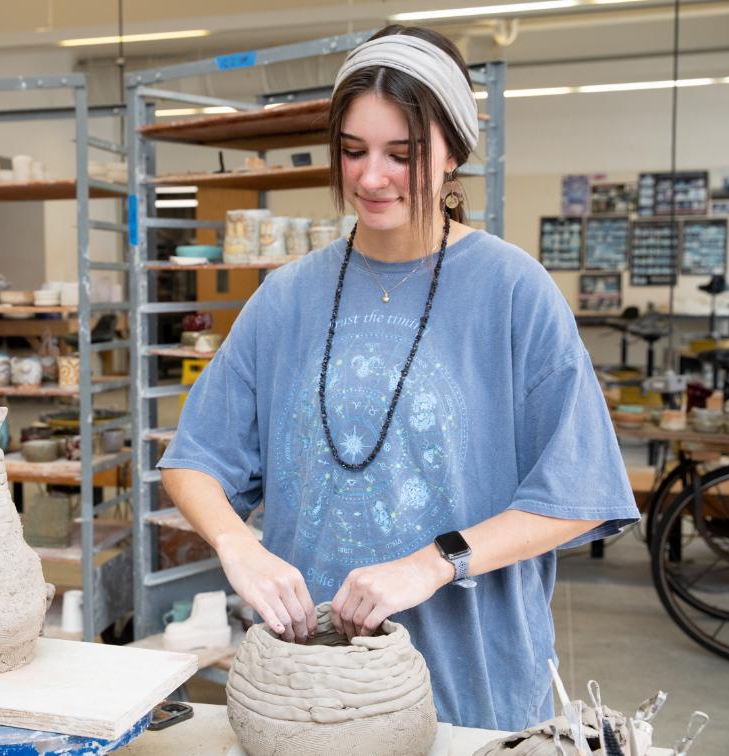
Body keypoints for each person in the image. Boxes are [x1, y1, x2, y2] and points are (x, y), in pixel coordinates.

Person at [158, 24, 640, 732]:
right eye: (352, 152)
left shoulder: (513, 291)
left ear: (454, 155)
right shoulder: (288, 297)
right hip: (310, 693)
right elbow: (193, 461)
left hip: (472, 690)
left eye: (401, 154)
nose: (370, 177)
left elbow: (579, 492)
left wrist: (435, 562)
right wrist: (238, 544)